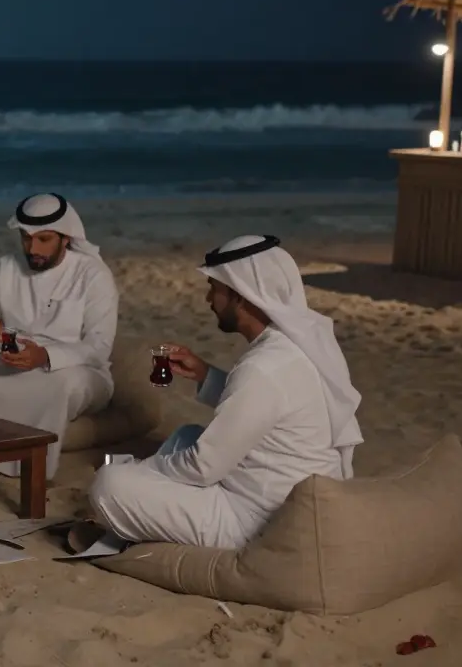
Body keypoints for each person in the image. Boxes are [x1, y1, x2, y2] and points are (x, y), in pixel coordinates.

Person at [88, 235, 364, 550]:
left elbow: (203, 466)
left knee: (109, 485)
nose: (208, 300)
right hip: (281, 493)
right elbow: (266, 408)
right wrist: (206, 374)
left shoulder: (263, 367)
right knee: (187, 435)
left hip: (259, 519)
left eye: (214, 290)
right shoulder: (293, 346)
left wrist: (136, 469)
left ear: (240, 297)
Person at [0, 193, 118, 480]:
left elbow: (98, 348)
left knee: (61, 385)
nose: (32, 248)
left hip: (74, 372)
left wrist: (44, 356)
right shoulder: (5, 267)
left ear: (66, 238)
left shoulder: (93, 275)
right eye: (26, 238)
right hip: (10, 365)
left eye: (44, 239)